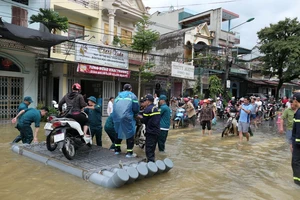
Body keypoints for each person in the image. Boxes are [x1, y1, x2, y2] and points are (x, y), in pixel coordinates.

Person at [113, 84, 139, 158]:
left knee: (118, 132)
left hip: (117, 118)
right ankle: (129, 152)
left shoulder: (118, 96)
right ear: (130, 89)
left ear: (123, 89)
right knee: (130, 133)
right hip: (128, 117)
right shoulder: (133, 96)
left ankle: (117, 150)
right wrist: (135, 114)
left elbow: (115, 107)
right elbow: (136, 108)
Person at [138, 94, 161, 162]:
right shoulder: (155, 108)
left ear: (148, 101)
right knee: (152, 148)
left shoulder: (148, 109)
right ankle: (152, 162)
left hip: (151, 132)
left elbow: (144, 121)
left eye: (144, 101)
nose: (143, 103)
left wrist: (139, 117)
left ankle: (151, 164)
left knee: (149, 149)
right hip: (156, 131)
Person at [291, 92, 300, 186]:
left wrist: (294, 144)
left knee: (295, 162)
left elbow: (298, 130)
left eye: (293, 100)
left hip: (298, 144)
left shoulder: (299, 113)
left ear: (296, 101)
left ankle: (297, 183)